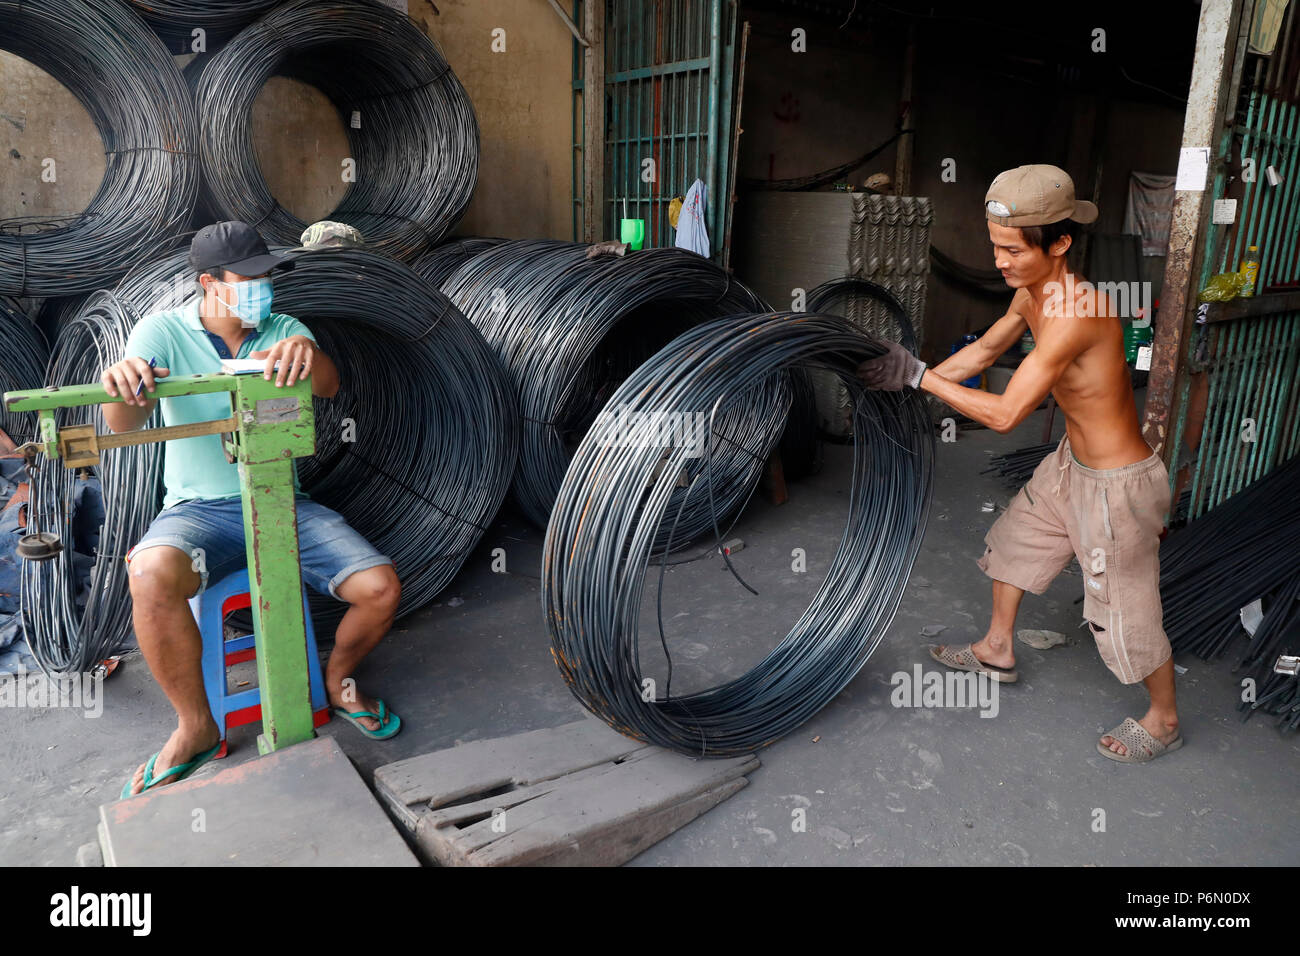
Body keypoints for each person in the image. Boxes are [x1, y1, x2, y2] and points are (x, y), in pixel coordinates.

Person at [857, 164, 1180, 763]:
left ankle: (1163, 718)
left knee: (1123, 608)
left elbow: (1005, 414)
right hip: (1071, 465)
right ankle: (997, 648)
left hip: (1117, 487)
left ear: (1059, 243)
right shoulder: (1031, 291)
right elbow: (984, 349)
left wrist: (920, 375)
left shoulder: (1077, 313)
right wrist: (899, 382)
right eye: (995, 247)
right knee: (1017, 540)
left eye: (1011, 250)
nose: (1000, 261)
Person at [101, 221, 403, 798]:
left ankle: (338, 682)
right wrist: (124, 384)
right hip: (199, 511)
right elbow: (124, 422)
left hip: (281, 501)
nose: (263, 290)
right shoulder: (162, 331)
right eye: (249, 278)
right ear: (208, 283)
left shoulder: (283, 327)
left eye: (268, 277)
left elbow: (330, 386)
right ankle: (195, 728)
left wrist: (306, 353)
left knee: (380, 588)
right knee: (149, 575)